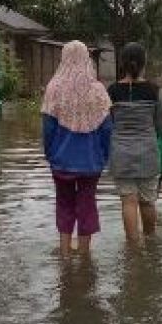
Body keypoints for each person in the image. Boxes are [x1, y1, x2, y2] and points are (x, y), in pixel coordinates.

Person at [41, 41, 113, 254]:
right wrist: (104, 156)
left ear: (63, 58)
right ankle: (84, 256)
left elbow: (47, 128)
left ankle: (64, 254)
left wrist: (50, 154)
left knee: (63, 204)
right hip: (91, 162)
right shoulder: (97, 89)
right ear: (86, 59)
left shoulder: (53, 88)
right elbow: (107, 128)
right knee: (87, 204)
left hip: (61, 161)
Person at [108, 42, 162, 240]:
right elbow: (160, 127)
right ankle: (150, 244)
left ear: (122, 63)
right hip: (148, 154)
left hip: (121, 155)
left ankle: (133, 250)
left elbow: (108, 124)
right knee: (148, 202)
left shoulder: (112, 91)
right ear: (144, 63)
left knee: (128, 202)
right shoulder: (155, 90)